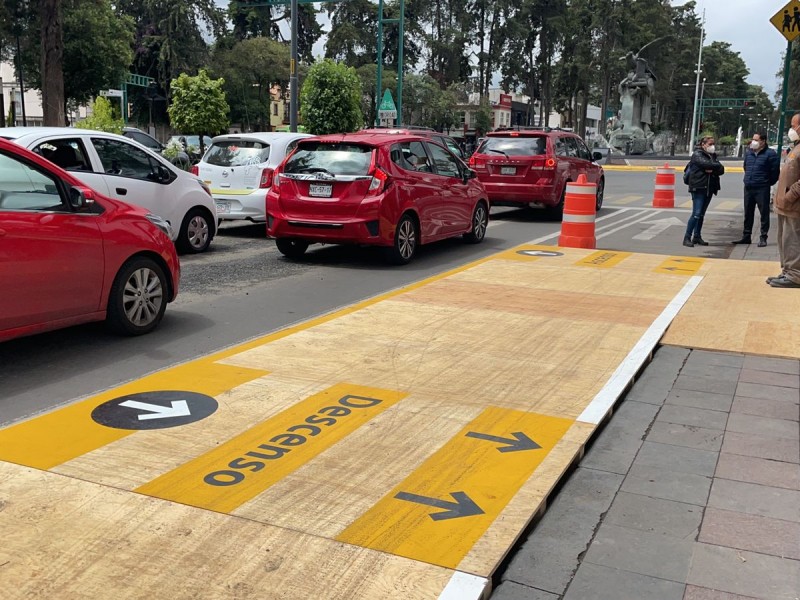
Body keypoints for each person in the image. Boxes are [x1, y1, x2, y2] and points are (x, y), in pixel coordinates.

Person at [767, 113, 800, 288]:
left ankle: (795, 275)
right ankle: (787, 271)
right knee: (784, 240)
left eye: (794, 126)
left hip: (794, 204)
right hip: (785, 205)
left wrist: (789, 196)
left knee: (793, 240)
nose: (791, 129)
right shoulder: (796, 147)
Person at [733, 131, 780, 247]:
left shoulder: (770, 154)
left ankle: (763, 237)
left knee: (764, 213)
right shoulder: (749, 153)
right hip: (748, 186)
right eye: (753, 139)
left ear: (763, 142)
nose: (753, 142)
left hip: (762, 188)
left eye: (756, 140)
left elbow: (775, 172)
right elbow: (745, 167)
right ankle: (746, 236)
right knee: (748, 213)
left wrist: (766, 182)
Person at [683, 136, 725, 247]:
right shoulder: (697, 154)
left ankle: (697, 236)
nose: (712, 146)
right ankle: (687, 237)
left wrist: (714, 168)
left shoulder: (713, 155)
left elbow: (721, 169)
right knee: (696, 214)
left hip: (709, 188)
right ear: (703, 144)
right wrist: (713, 167)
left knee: (701, 214)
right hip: (698, 187)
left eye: (713, 144)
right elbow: (707, 164)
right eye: (710, 144)